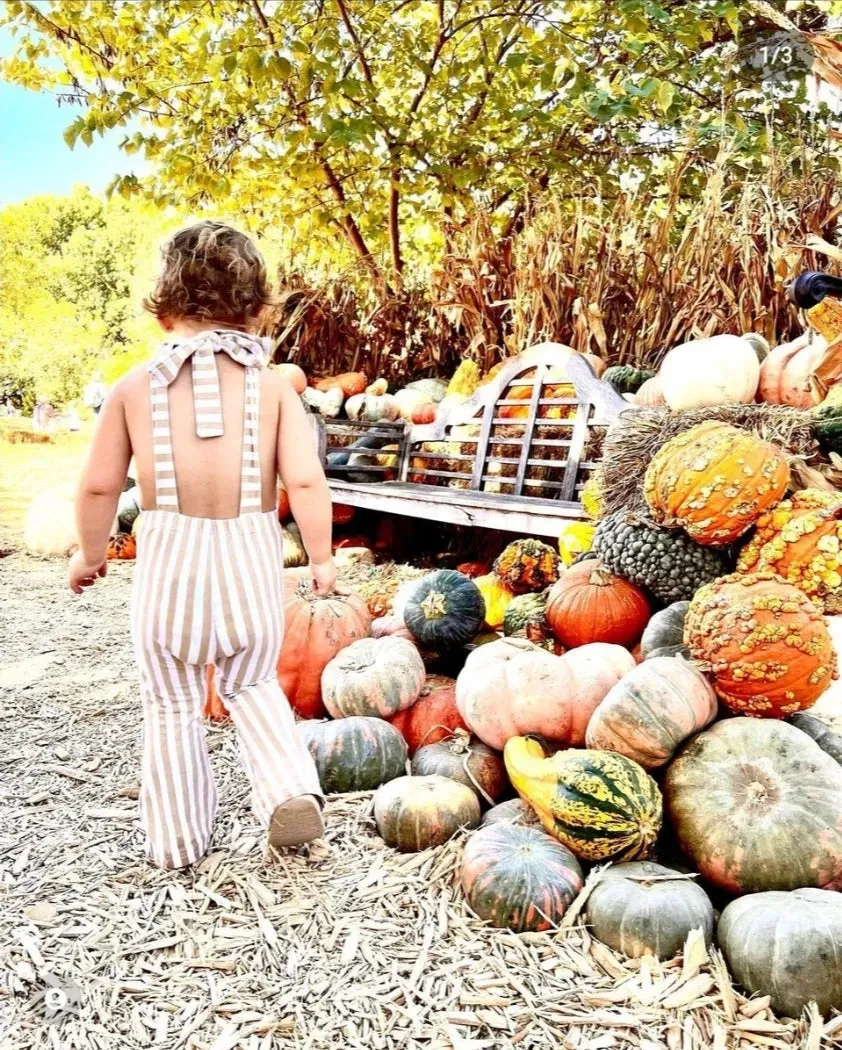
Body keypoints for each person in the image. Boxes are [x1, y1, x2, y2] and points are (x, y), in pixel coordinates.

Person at [68, 221, 335, 869]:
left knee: (172, 703)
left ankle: (178, 839)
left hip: (169, 578)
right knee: (251, 685)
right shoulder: (273, 389)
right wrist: (322, 558)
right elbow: (304, 478)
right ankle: (289, 791)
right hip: (247, 569)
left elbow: (101, 484)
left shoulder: (134, 388)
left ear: (161, 308)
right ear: (257, 308)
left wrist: (92, 553)